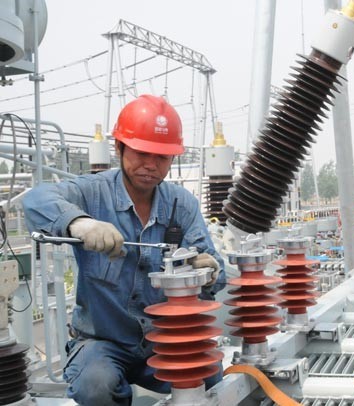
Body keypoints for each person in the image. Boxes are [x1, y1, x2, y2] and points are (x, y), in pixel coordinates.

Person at [23, 95, 226, 406]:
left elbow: (216, 272)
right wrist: (80, 223)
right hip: (103, 342)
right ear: (119, 148)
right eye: (141, 153)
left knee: (209, 376)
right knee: (95, 386)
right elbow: (36, 199)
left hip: (164, 340)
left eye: (162, 157)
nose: (151, 165)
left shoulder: (181, 205)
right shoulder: (92, 193)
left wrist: (210, 271)